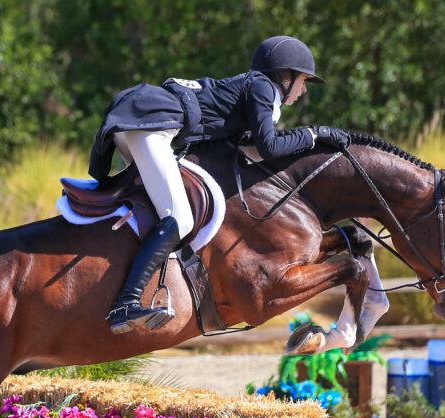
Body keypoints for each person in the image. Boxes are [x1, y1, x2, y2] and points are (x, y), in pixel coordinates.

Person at [89, 35, 351, 334]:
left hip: (144, 122)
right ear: (285, 76)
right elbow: (269, 147)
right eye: (304, 80)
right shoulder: (263, 87)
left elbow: (250, 142)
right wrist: (315, 135)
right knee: (178, 217)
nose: (304, 90)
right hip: (153, 126)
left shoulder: (250, 87)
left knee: (161, 210)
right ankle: (126, 303)